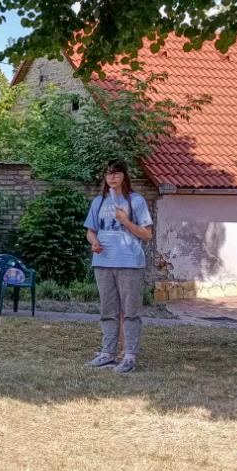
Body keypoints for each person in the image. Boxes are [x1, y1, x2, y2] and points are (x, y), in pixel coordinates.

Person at [83, 160, 154, 374]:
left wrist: (125, 220)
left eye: (116, 173)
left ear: (124, 176)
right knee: (108, 310)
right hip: (103, 262)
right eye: (108, 174)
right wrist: (94, 242)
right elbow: (90, 231)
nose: (112, 177)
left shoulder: (136, 200)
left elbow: (147, 234)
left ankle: (130, 355)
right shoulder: (98, 202)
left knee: (130, 312)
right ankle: (108, 353)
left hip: (129, 263)